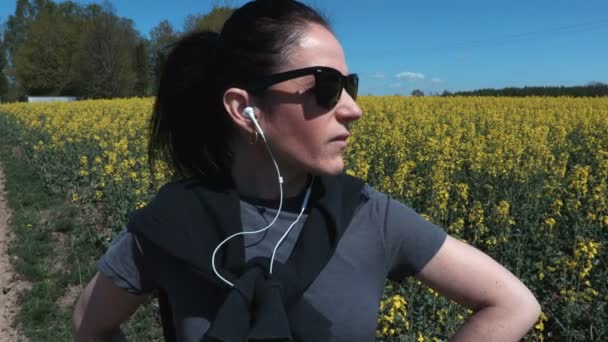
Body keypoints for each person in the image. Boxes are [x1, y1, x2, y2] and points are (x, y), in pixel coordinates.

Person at [71, 0, 541, 341]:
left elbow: (514, 304)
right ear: (244, 108)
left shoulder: (369, 215)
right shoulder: (171, 224)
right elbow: (89, 326)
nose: (353, 109)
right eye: (327, 87)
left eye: (349, 85)